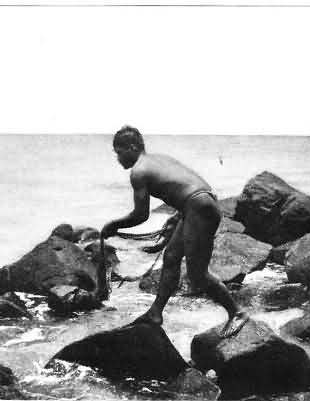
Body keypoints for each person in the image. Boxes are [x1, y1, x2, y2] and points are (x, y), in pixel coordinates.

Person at [101, 125, 248, 338]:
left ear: (132, 147)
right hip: (199, 205)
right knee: (171, 257)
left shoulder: (138, 171)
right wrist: (179, 216)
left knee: (198, 275)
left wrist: (114, 225)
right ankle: (155, 313)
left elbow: (141, 215)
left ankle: (237, 313)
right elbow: (185, 186)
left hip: (199, 208)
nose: (118, 158)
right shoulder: (159, 159)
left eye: (119, 152)